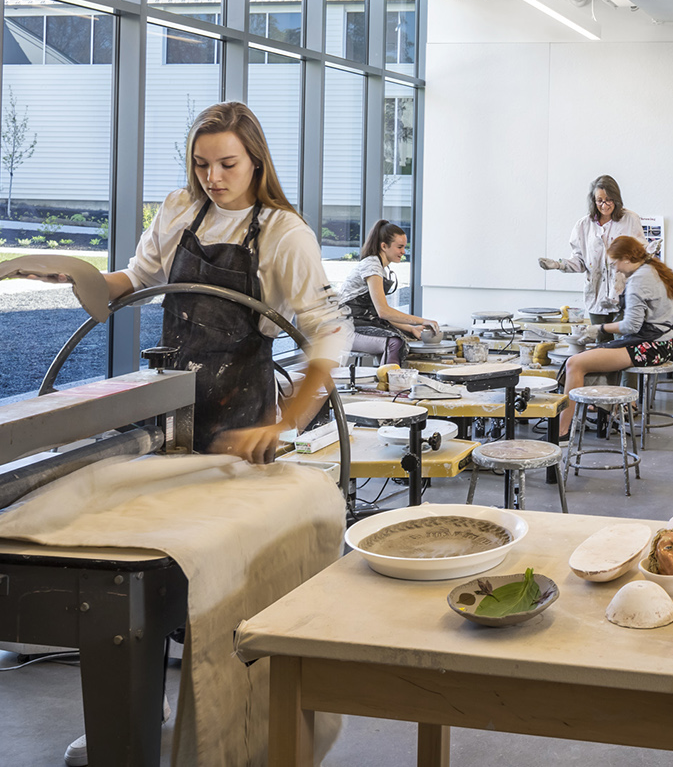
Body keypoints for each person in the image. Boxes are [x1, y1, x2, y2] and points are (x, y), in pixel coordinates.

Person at [49, 101, 351, 766]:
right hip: (166, 424)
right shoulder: (180, 210)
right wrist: (79, 279)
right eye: (201, 163)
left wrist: (284, 421)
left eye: (227, 164)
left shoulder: (283, 234)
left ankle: (230, 729)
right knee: (149, 573)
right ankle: (142, 716)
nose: (213, 177)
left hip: (238, 428)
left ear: (257, 161)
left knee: (221, 588)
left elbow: (327, 337)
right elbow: (136, 279)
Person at [556, 235, 673, 439]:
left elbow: (632, 326)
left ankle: (561, 431)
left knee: (574, 364)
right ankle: (605, 414)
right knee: (595, 355)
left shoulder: (639, 279)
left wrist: (600, 329)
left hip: (651, 347)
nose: (617, 269)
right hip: (664, 343)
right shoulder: (654, 267)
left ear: (627, 257)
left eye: (616, 264)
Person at [538, 175, 644, 337]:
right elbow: (580, 262)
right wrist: (558, 264)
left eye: (609, 199)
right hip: (597, 295)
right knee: (601, 345)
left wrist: (627, 272)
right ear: (593, 201)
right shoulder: (584, 225)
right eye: (599, 200)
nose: (604, 205)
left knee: (622, 343)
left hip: (624, 295)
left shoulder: (630, 219)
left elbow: (641, 255)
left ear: (616, 198)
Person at [338, 220, 439, 365]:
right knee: (394, 342)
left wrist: (411, 329)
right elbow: (383, 312)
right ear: (384, 246)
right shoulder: (371, 266)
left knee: (401, 337)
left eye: (404, 247)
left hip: (358, 323)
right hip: (342, 328)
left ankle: (388, 381)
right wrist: (423, 320)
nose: (404, 252)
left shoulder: (380, 268)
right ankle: (389, 384)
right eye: (400, 247)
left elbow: (375, 313)